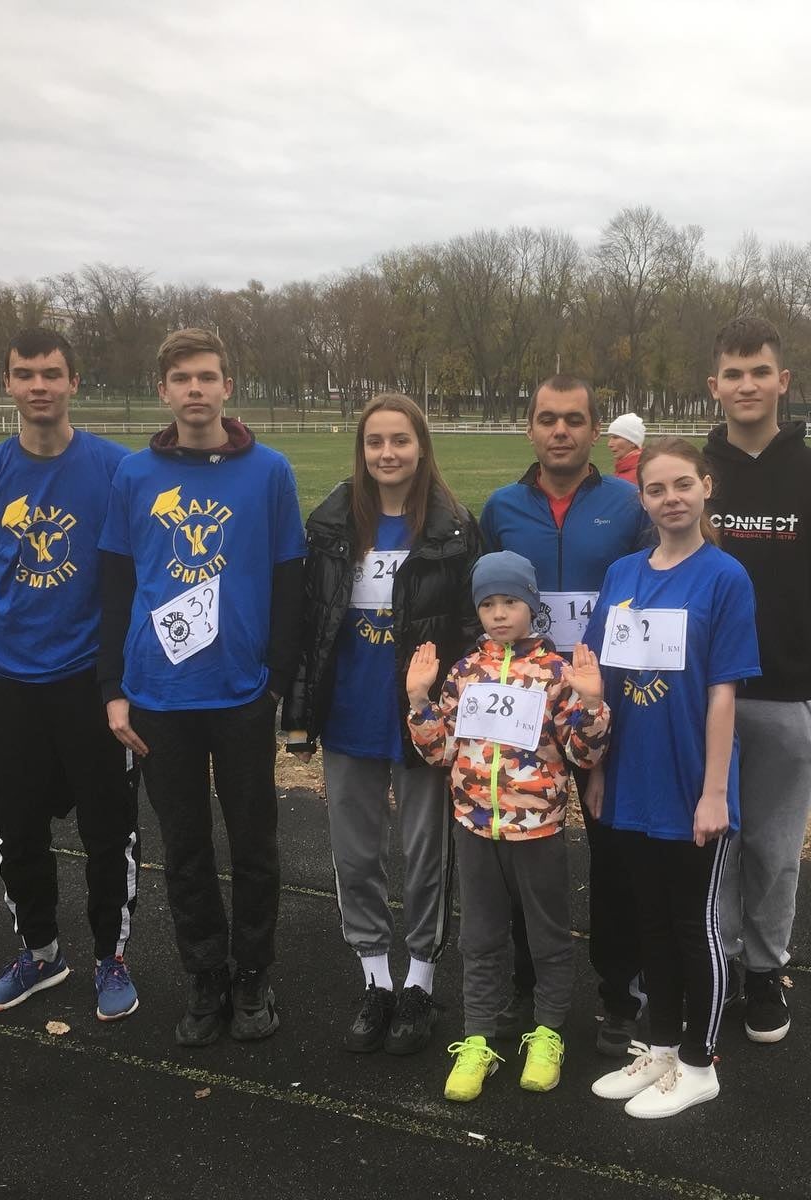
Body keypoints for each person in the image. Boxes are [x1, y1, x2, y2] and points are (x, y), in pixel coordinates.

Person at [97, 328, 306, 1048]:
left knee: (254, 844)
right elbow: (116, 587)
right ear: (163, 391)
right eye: (182, 378)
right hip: (159, 696)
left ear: (227, 387)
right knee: (184, 848)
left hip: (242, 692)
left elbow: (289, 580)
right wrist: (113, 687)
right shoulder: (134, 475)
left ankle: (253, 974)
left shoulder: (269, 471)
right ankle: (205, 973)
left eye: (207, 377)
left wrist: (274, 681)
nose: (195, 389)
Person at [0, 327, 141, 1021]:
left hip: (90, 679)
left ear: (74, 381)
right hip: (7, 680)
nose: (39, 386)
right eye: (25, 374)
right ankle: (41, 953)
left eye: (52, 373)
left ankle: (111, 957)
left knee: (108, 828)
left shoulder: (116, 469)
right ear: (8, 384)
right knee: (17, 824)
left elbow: (133, 571)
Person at [283, 393, 481, 1056]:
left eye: (400, 440)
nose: (387, 453)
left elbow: (469, 631)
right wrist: (300, 719)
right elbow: (313, 626)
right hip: (350, 718)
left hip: (423, 726)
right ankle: (376, 977)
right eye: (375, 442)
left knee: (426, 856)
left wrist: (455, 715)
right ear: (361, 450)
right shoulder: (332, 524)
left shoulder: (454, 528)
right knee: (356, 855)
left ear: (421, 447)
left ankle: (420, 979)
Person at [583, 437, 760, 1119]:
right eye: (656, 489)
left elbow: (722, 694)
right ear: (642, 498)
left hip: (691, 784)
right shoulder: (622, 574)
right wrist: (598, 769)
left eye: (682, 484)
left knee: (693, 925)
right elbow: (602, 686)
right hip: (631, 780)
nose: (670, 499)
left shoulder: (724, 577)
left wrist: (714, 792)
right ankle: (659, 1047)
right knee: (649, 922)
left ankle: (698, 1062)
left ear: (706, 487)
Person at [478, 375, 651, 1058]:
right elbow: (484, 606)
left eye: (574, 420)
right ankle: (526, 986)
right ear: (529, 428)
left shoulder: (627, 505)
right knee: (522, 851)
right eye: (547, 419)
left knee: (616, 853)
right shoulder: (501, 507)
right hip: (523, 710)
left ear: (594, 430)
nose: (560, 431)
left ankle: (620, 994)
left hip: (603, 705)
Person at [703, 315, 811, 1045]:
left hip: (789, 697)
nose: (747, 385)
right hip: (705, 701)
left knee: (773, 850)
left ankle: (765, 970)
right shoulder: (693, 476)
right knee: (713, 845)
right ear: (715, 386)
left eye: (760, 372)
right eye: (734, 374)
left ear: (782, 381)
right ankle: (718, 964)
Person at [405, 551, 611, 1101]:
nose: (499, 614)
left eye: (511, 602)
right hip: (475, 828)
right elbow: (440, 752)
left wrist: (592, 705)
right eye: (488, 604)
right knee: (479, 937)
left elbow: (584, 755)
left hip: (537, 829)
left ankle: (548, 1034)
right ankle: (478, 1038)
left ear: (532, 606)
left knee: (547, 936)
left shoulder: (557, 673)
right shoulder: (463, 673)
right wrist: (419, 700)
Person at [606, 412, 646, 483]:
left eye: (615, 437)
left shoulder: (639, 476)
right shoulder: (624, 468)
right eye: (610, 438)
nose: (609, 444)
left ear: (632, 442)